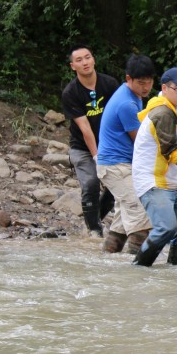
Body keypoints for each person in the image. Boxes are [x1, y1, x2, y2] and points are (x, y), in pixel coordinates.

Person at [131, 67, 177, 267]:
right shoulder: (163, 112)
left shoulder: (172, 109)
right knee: (166, 228)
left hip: (174, 181)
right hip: (154, 182)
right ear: (165, 88)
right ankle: (138, 267)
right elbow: (170, 152)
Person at [96, 54, 155, 254]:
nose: (145, 88)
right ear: (128, 79)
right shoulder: (127, 104)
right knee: (142, 215)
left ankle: (107, 261)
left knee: (122, 221)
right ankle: (138, 270)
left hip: (118, 165)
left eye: (149, 82)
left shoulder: (132, 96)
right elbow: (140, 141)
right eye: (140, 83)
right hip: (116, 166)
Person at [61, 45, 119, 237]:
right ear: (72, 66)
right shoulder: (71, 92)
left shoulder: (109, 84)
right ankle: (94, 231)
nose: (85, 62)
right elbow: (84, 127)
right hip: (83, 148)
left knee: (115, 186)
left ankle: (95, 222)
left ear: (93, 59)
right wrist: (96, 155)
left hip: (111, 144)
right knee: (91, 184)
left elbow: (120, 114)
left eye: (87, 57)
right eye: (79, 60)